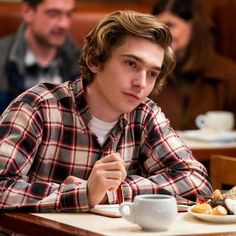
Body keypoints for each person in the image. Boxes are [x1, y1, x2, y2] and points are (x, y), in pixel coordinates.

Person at [0, 10, 212, 212]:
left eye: (152, 73)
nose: (141, 83)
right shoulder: (37, 106)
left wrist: (112, 192)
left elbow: (197, 181)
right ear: (95, 60)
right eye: (131, 63)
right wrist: (83, 193)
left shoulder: (145, 114)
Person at [151, 0, 236, 130]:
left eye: (170, 25)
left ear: (194, 27)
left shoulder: (227, 73)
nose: (163, 34)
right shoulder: (150, 72)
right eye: (158, 28)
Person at [0, 0, 80, 115]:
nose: (64, 24)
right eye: (53, 13)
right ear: (27, 11)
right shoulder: (2, 59)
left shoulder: (84, 63)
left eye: (69, 14)